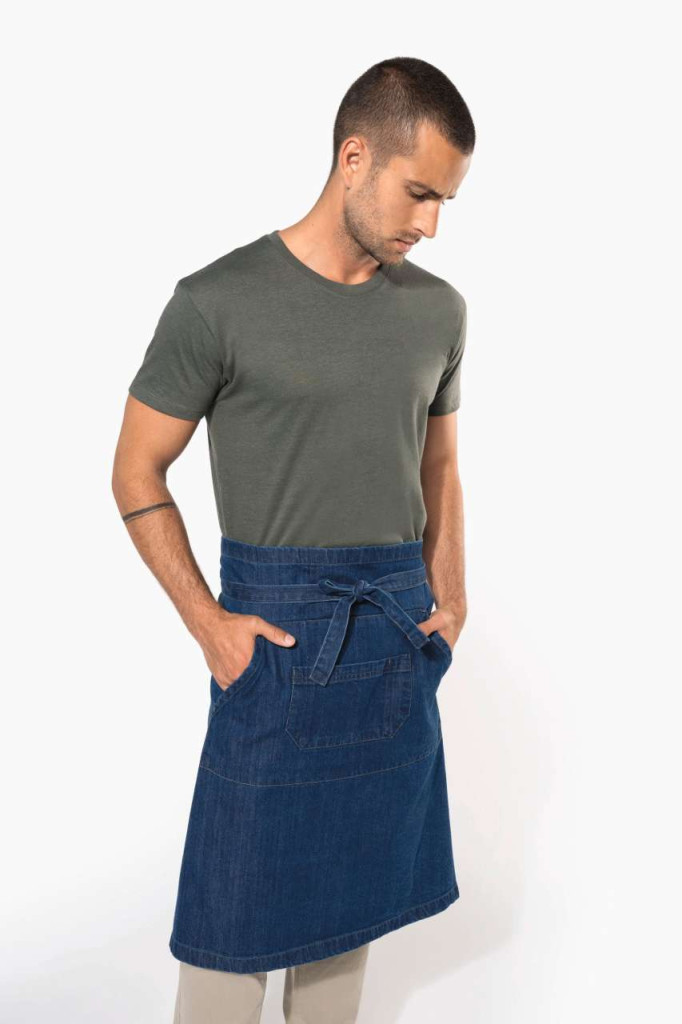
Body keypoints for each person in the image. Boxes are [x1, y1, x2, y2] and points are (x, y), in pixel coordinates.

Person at [112, 55, 475, 1024]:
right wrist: (209, 625)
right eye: (419, 192)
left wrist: (450, 596)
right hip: (272, 647)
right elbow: (135, 471)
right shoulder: (216, 302)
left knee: (342, 939)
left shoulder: (439, 311)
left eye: (446, 201)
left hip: (392, 637)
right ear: (355, 157)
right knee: (226, 952)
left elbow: (439, 465)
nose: (431, 222)